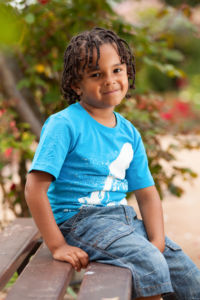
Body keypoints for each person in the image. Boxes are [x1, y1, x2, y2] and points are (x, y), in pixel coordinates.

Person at [25, 27, 200, 300]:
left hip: (124, 221)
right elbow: (35, 189)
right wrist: (57, 245)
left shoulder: (129, 132)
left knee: (187, 274)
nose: (110, 80)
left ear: (127, 72)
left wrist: (156, 241)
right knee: (150, 264)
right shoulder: (64, 124)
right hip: (79, 222)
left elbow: (147, 194)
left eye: (117, 70)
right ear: (76, 84)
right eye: (96, 74)